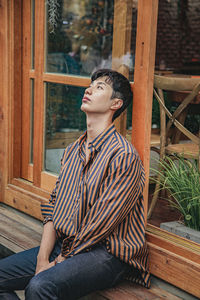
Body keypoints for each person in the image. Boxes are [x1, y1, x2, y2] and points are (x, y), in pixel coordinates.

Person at [0, 69, 150, 299]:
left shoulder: (123, 155)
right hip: (68, 242)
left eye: (100, 87)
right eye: (91, 85)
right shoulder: (72, 151)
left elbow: (101, 222)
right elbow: (54, 206)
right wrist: (42, 259)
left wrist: (60, 260)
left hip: (108, 252)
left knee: (40, 286)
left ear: (116, 104)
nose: (89, 89)